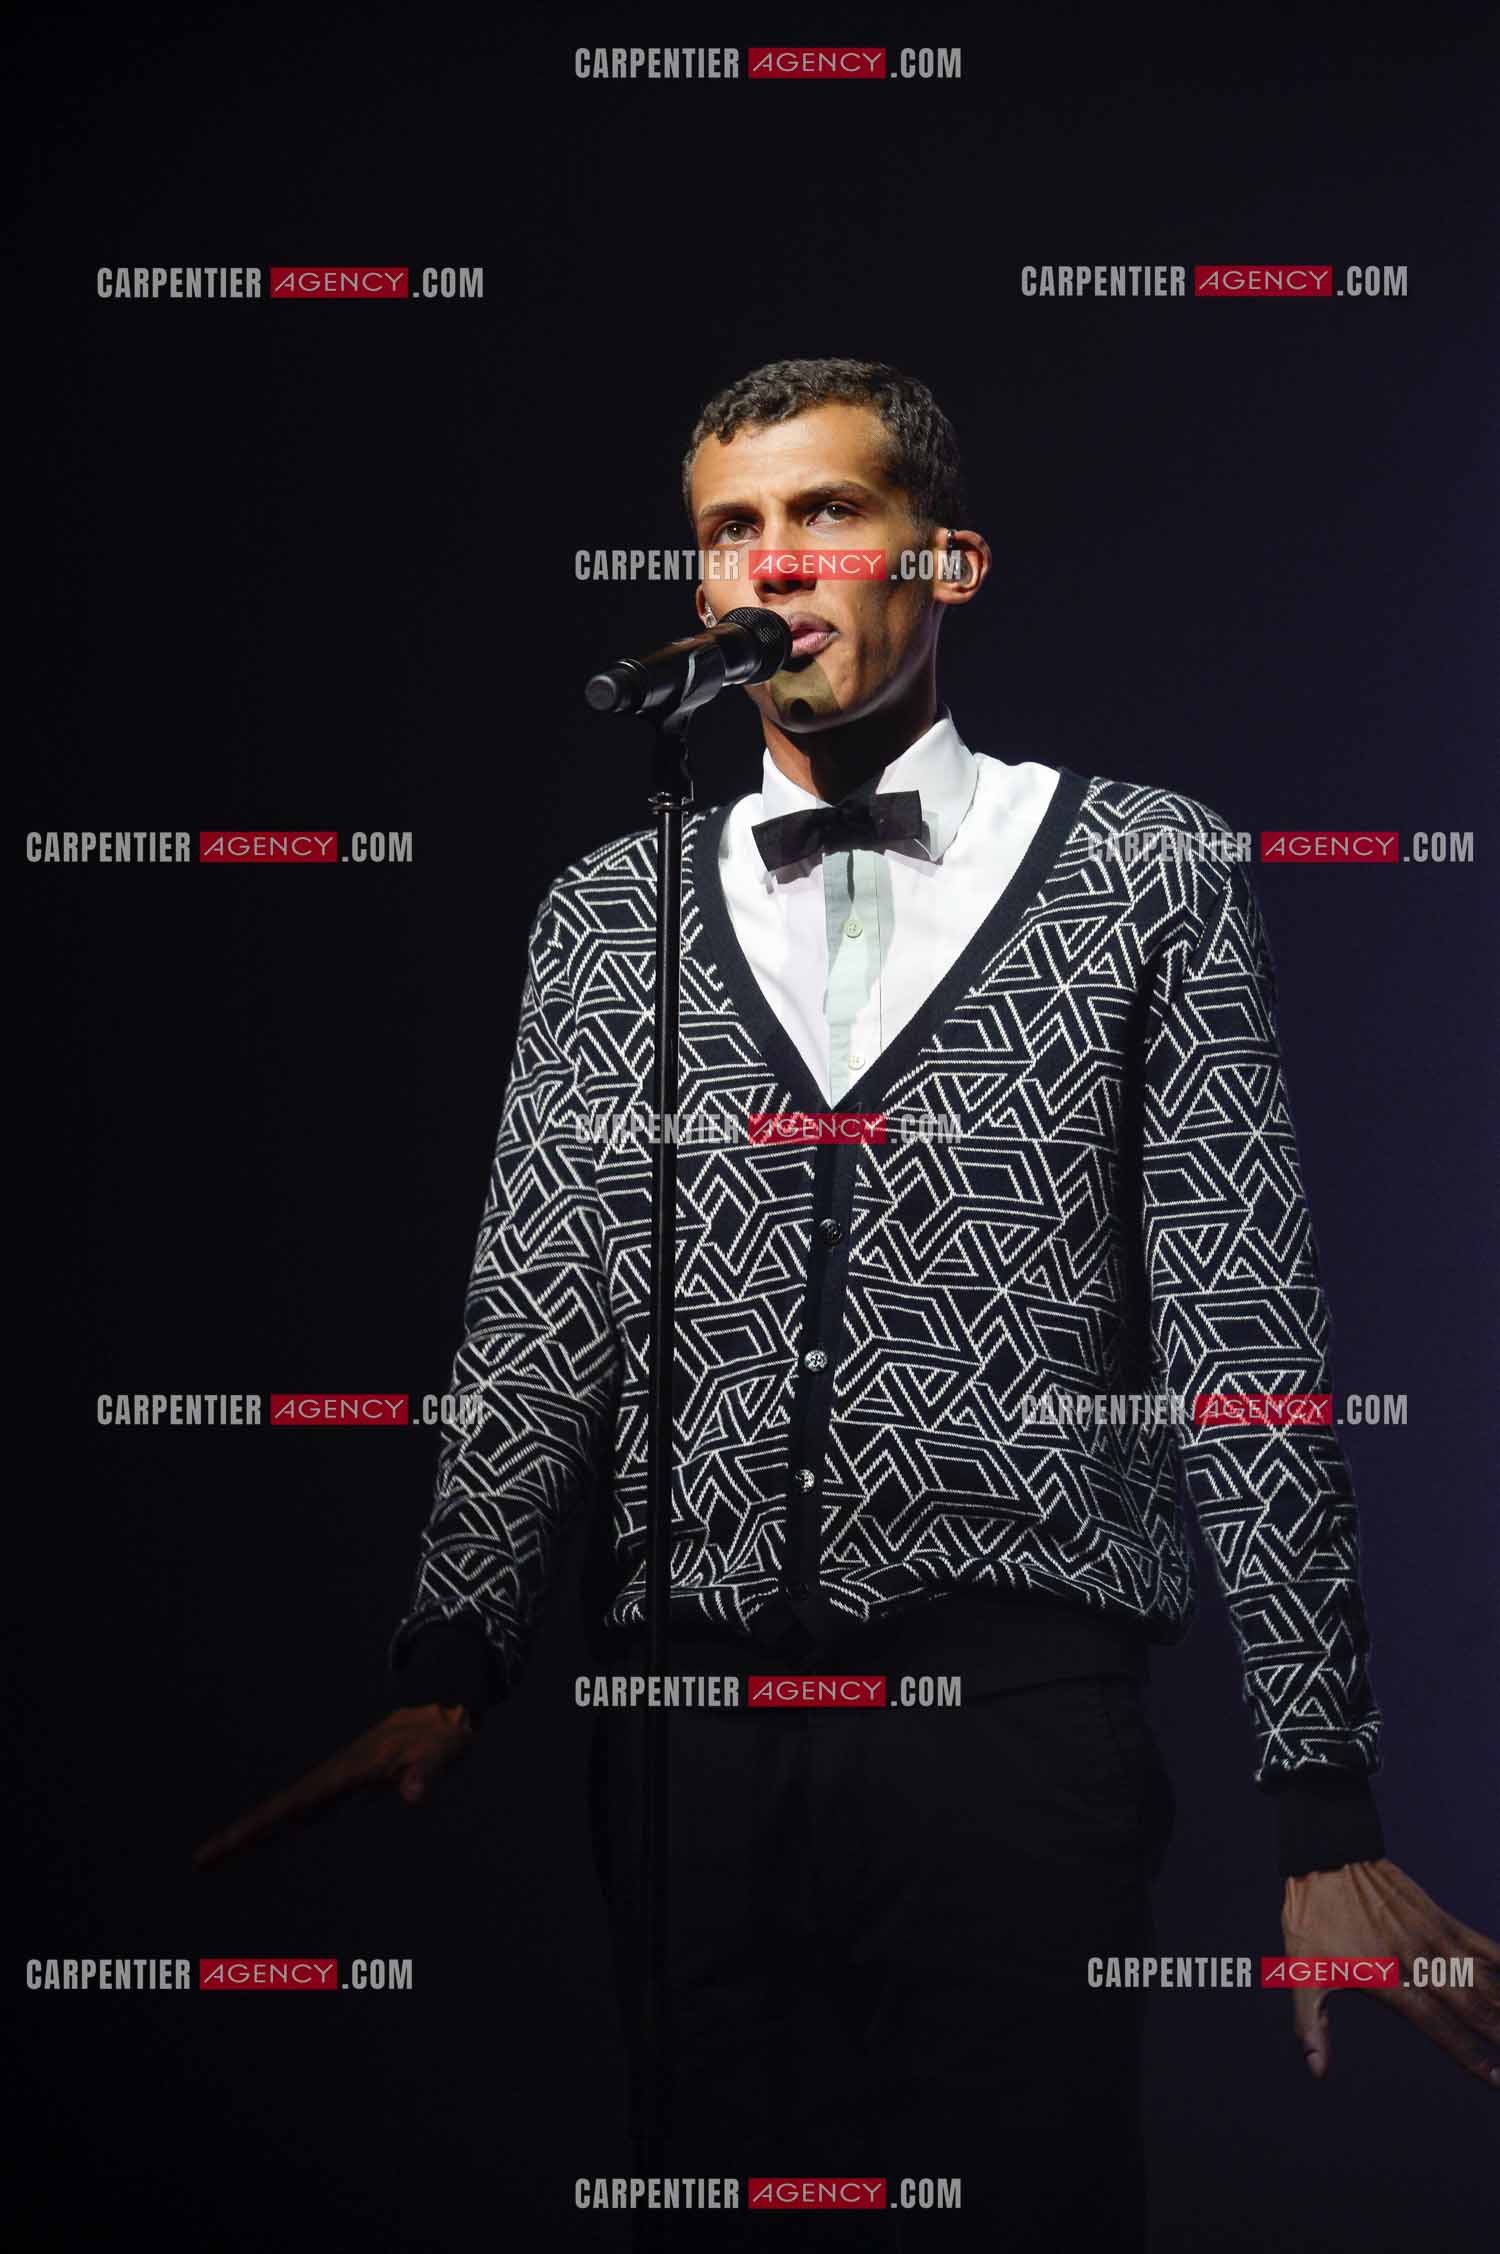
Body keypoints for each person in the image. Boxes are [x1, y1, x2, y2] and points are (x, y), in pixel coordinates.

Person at [193, 358, 1499, 2249]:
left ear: (945, 559)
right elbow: (540, 1303)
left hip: (1015, 1728)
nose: (774, 562)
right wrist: (450, 1657)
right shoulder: (610, 912)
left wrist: (1324, 1808)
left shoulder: (1148, 867)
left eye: (826, 512)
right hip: (689, 1741)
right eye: (733, 528)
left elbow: (1246, 1327)